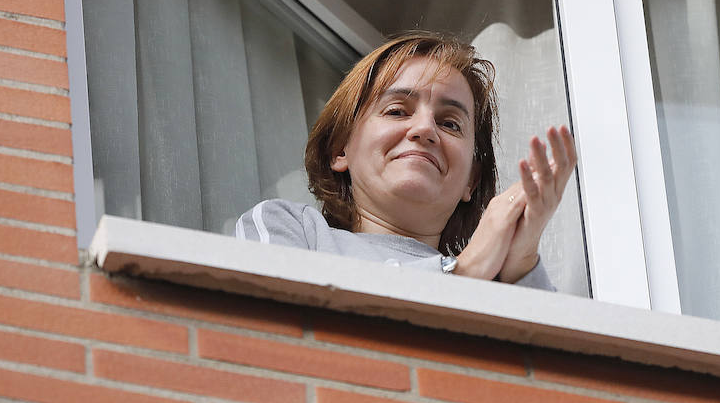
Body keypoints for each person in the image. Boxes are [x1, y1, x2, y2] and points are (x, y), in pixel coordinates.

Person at [235, 31, 576, 290]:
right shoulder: (290, 227)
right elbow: (279, 328)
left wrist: (520, 266)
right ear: (341, 149)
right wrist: (463, 274)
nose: (425, 129)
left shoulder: (499, 279)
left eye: (449, 124)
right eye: (397, 111)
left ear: (471, 180)